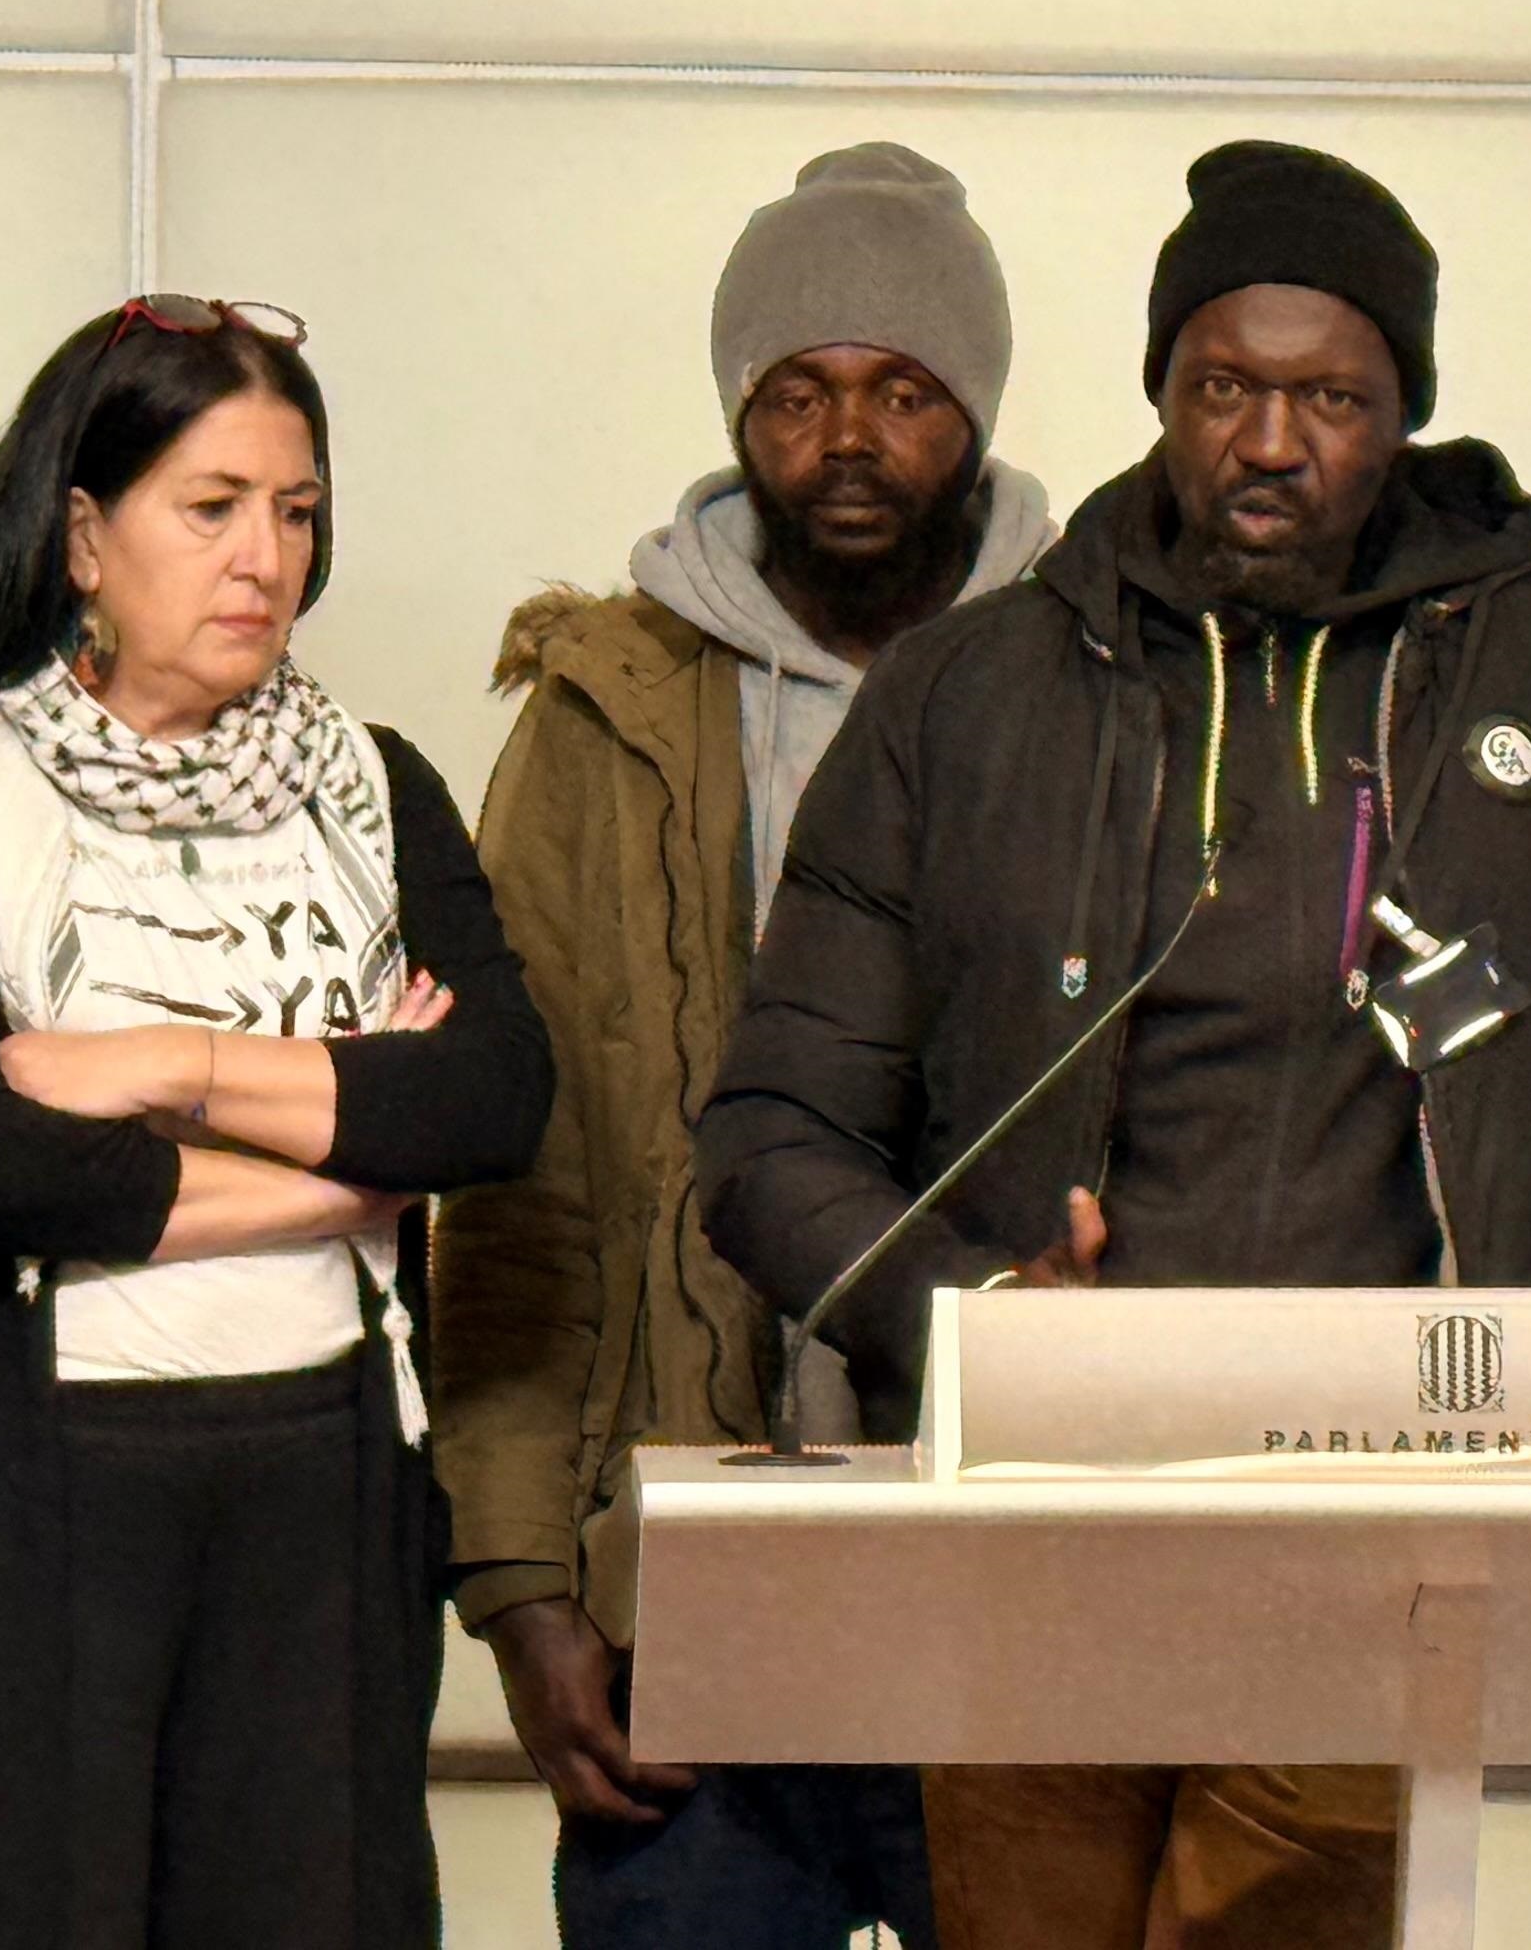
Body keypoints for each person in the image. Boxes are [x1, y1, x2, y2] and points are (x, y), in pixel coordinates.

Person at [695, 138, 1531, 1950]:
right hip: (1041, 1523)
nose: (1274, 444)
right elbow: (768, 1134)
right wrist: (961, 1318)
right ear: (1160, 391)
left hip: (1388, 1525)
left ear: (1403, 413)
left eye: (1333, 399)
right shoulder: (964, 697)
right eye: (1226, 387)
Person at [0, 297, 553, 1949]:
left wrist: (161, 1064)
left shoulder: (372, 782)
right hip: (18, 1507)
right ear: (87, 535)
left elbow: (491, 1095)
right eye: (213, 505)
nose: (266, 557)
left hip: (320, 1495)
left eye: (298, 511)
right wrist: (349, 1164)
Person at [436, 142, 1051, 1948]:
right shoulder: (603, 715)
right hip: (683, 1594)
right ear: (739, 412)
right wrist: (522, 1583)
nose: (848, 439)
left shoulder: (1102, 681)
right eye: (798, 393)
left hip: (1006, 1589)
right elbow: (520, 1181)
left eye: (904, 392)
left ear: (982, 414)